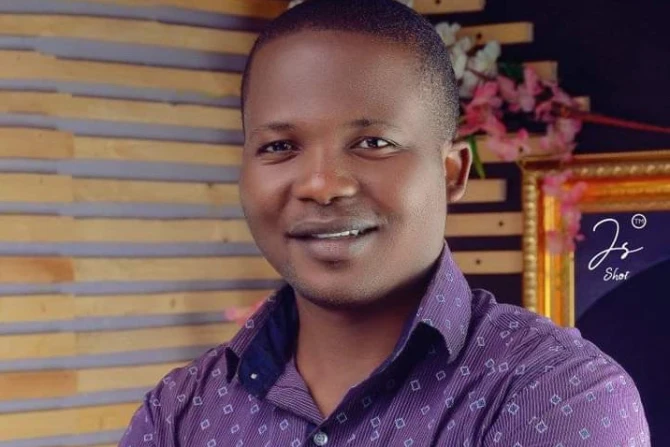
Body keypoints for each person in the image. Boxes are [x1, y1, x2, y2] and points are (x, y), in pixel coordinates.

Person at [119, 0, 649, 445]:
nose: (321, 184)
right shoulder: (179, 412)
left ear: (451, 173)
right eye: (279, 146)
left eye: (373, 143)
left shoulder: (556, 396)